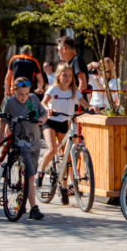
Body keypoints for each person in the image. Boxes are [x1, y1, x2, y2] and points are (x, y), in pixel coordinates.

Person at [37, 61, 90, 205]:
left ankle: (64, 186)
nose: (67, 78)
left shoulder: (73, 91)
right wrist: (47, 108)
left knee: (67, 157)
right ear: (58, 76)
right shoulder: (53, 89)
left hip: (64, 123)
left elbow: (82, 102)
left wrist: (90, 107)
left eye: (69, 75)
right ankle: (40, 172)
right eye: (64, 75)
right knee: (53, 149)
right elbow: (43, 102)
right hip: (51, 121)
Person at [0, 78, 48, 220]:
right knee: (30, 175)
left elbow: (44, 114)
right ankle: (34, 208)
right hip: (20, 144)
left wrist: (42, 120)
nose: (24, 97)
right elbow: (3, 121)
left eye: (26, 94)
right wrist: (0, 138)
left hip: (35, 143)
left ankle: (22, 199)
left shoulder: (33, 99)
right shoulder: (10, 103)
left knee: (28, 175)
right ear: (14, 91)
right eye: (20, 94)